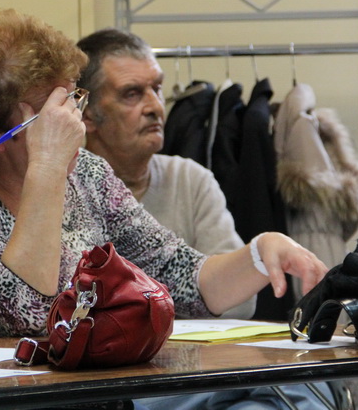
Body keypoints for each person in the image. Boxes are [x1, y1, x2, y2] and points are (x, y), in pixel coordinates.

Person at [0, 8, 331, 409]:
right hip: (5, 399)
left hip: (92, 390)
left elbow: (178, 273)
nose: (73, 124)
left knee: (290, 388)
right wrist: (47, 167)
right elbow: (30, 312)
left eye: (74, 100)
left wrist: (260, 254)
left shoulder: (86, 173)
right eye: (53, 117)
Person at [77, 28, 255, 319]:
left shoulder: (191, 180)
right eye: (132, 94)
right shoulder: (63, 189)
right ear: (87, 114)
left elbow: (239, 302)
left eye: (157, 89)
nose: (155, 107)